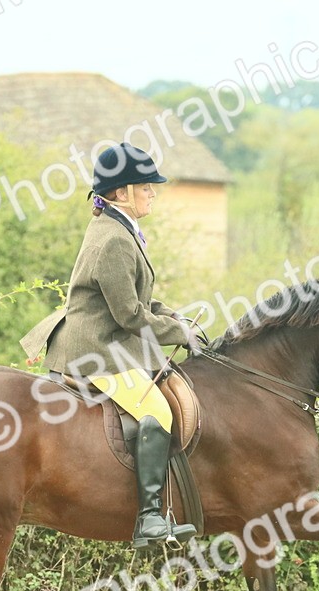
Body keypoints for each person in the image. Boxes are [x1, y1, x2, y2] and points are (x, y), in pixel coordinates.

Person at [21, 142, 200, 550]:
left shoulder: (118, 228)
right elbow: (130, 317)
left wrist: (178, 319)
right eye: (146, 187)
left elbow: (141, 300)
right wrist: (179, 335)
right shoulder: (115, 239)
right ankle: (150, 518)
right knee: (156, 408)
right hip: (96, 349)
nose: (153, 193)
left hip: (106, 337)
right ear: (121, 193)